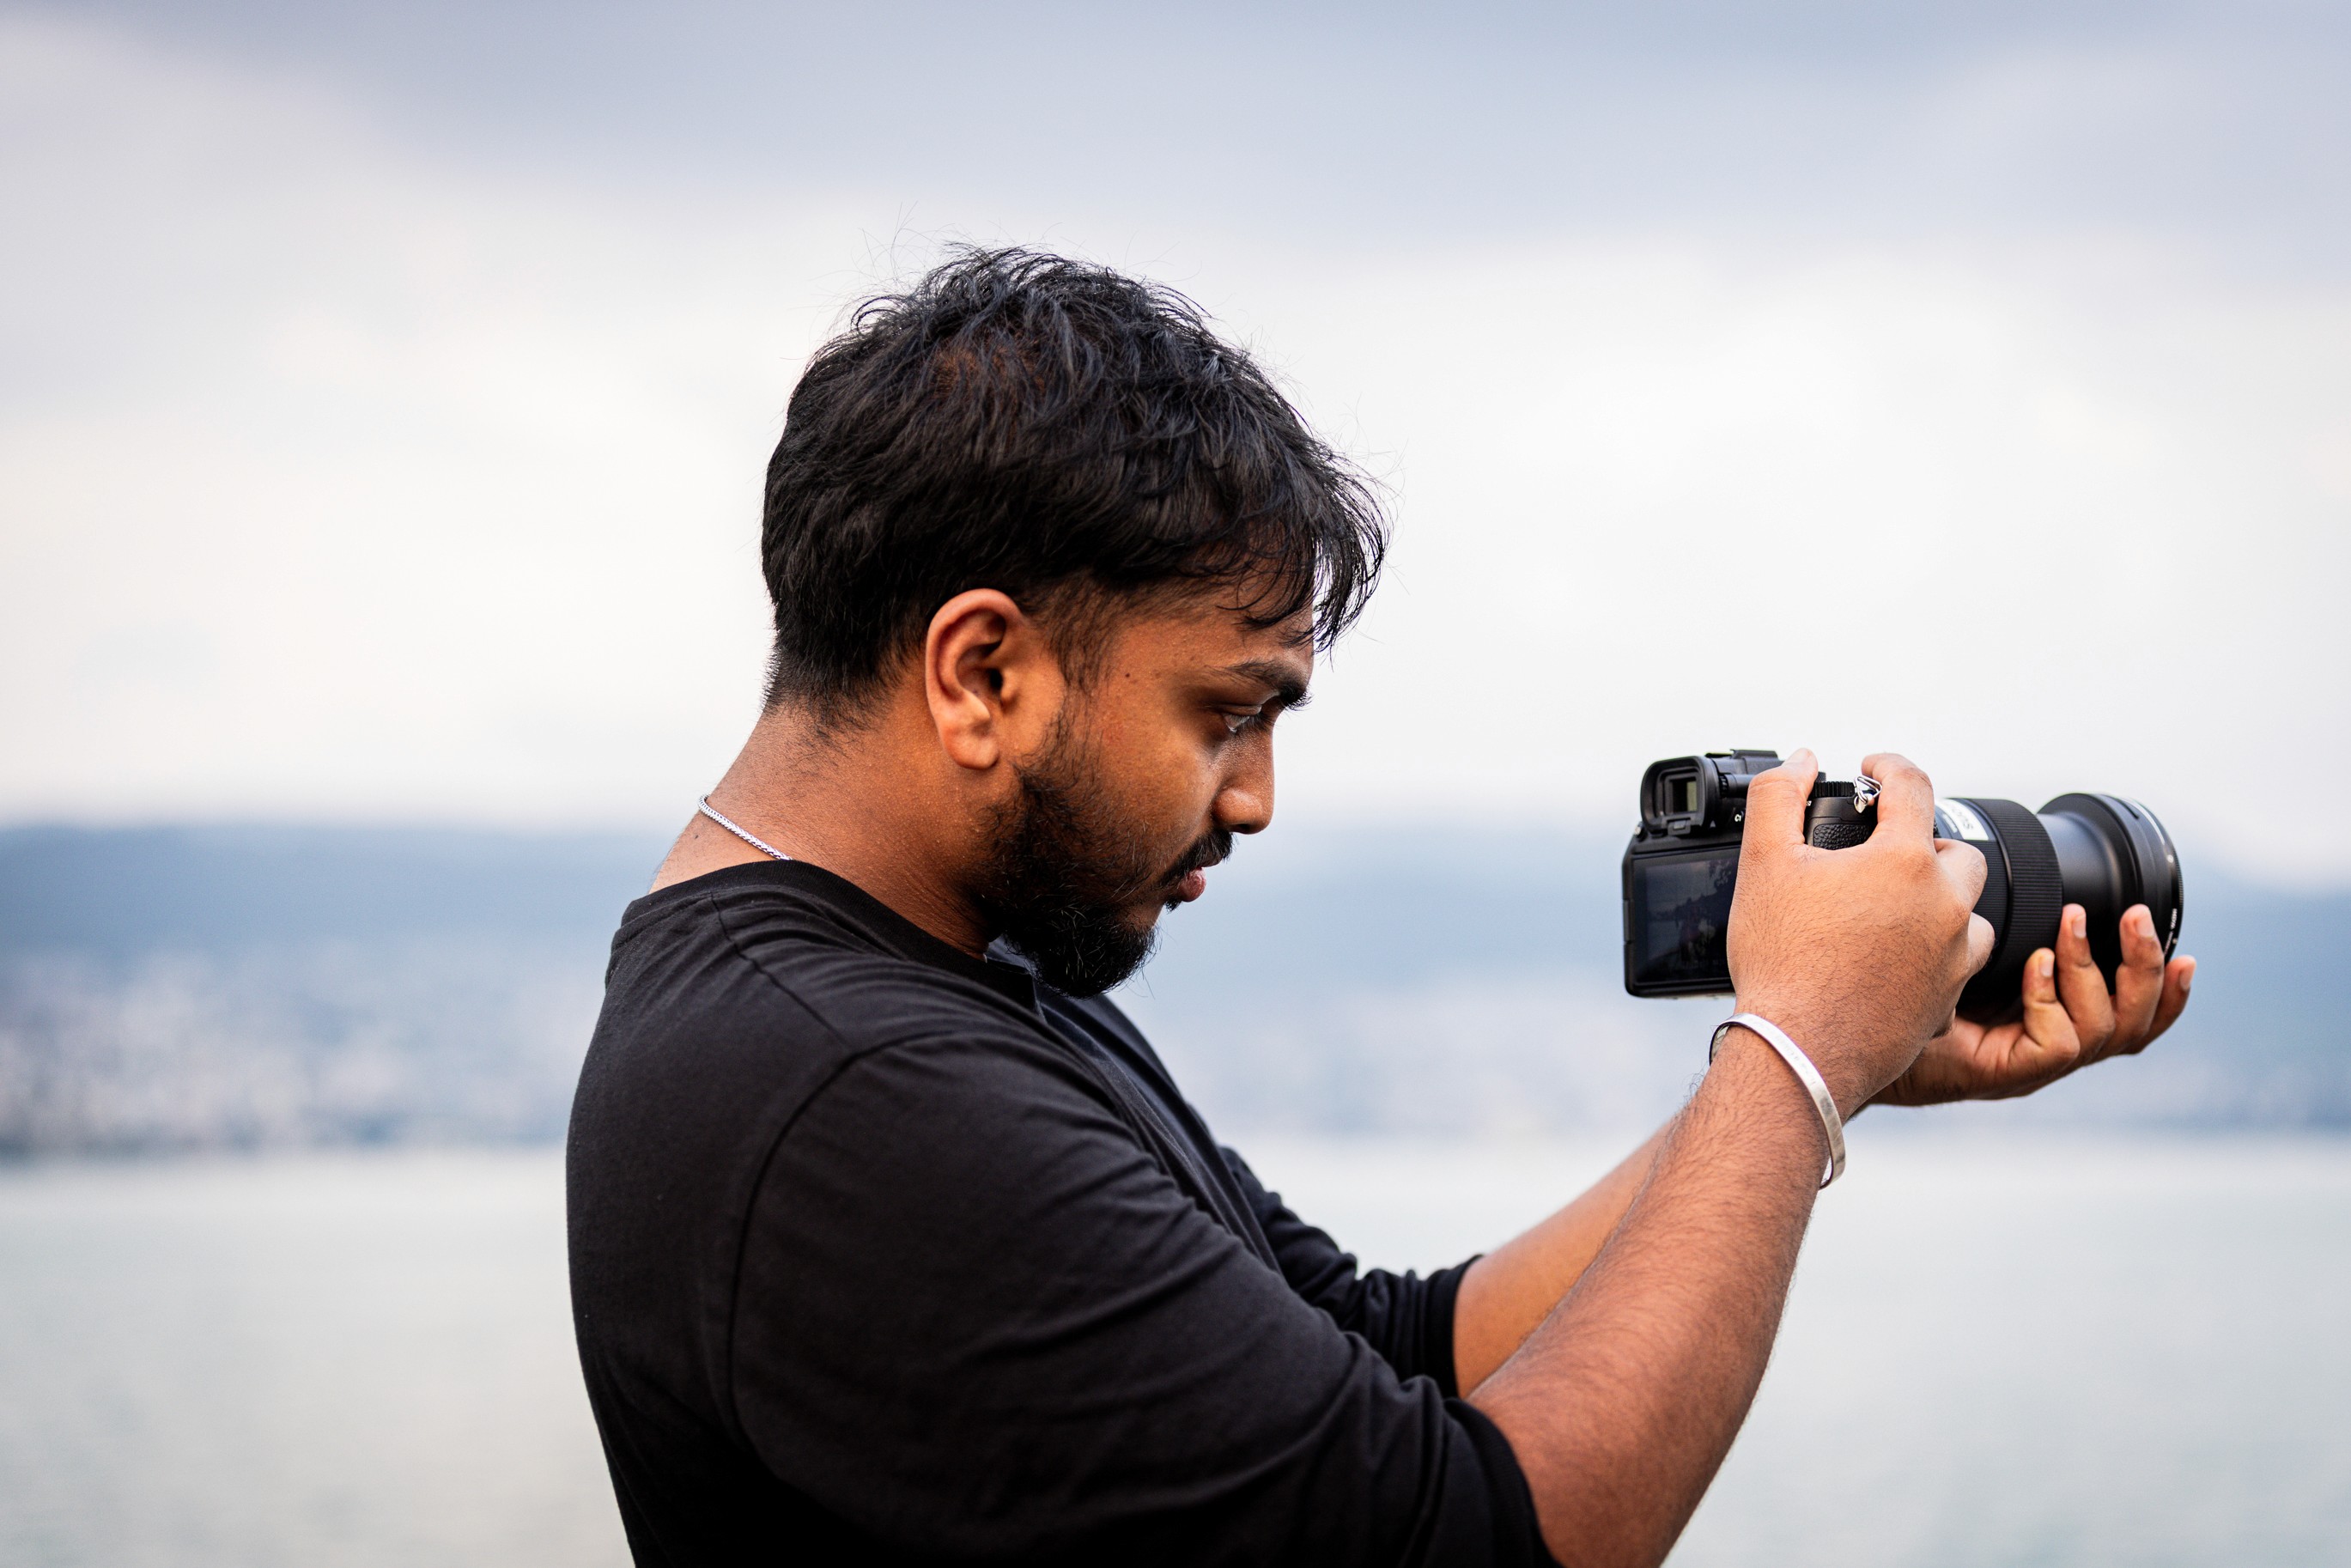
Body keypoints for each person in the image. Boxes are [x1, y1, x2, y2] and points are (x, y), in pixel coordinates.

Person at [565, 248, 2194, 1568]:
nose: (1258, 793)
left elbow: (1395, 1350)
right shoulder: (850, 1092)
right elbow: (1476, 1541)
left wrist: (1827, 1060)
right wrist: (1785, 1065)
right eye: (1225, 711)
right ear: (982, 670)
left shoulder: (929, 990)